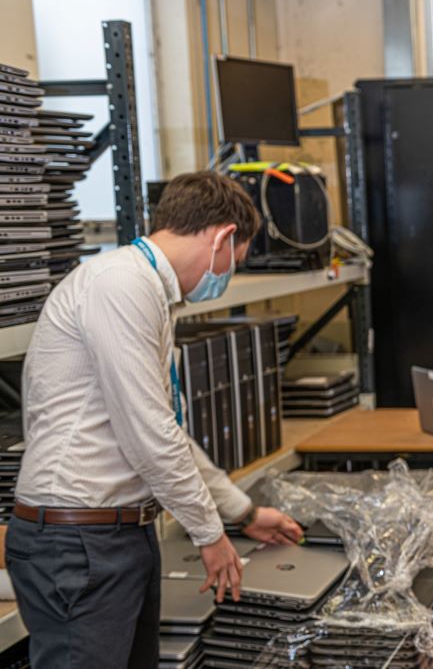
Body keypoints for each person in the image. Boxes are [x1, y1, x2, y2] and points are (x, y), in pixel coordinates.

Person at [7, 171, 305, 668]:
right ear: (224, 237)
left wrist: (243, 514)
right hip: (78, 543)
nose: (229, 274)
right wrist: (209, 534)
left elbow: (167, 435)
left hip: (117, 537)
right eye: (238, 261)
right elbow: (149, 433)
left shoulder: (148, 292)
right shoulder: (120, 285)